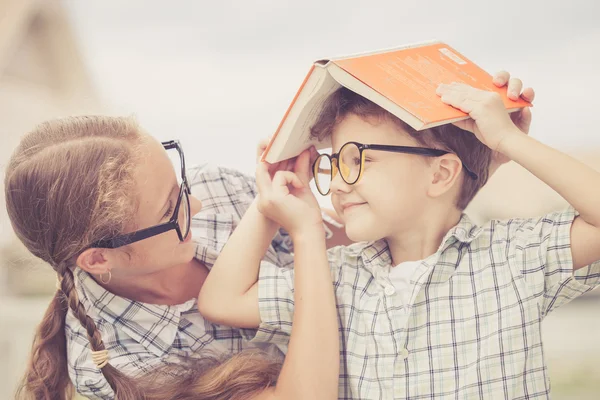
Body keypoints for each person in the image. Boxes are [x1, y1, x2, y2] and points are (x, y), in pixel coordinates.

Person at [198, 71, 600, 399]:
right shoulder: (334, 278)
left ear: (440, 174)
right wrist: (269, 198)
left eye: (360, 160)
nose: (337, 183)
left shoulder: (513, 256)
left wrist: (510, 141)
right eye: (335, 164)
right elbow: (222, 301)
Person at [5, 117, 339, 400]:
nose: (195, 205)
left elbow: (357, 249)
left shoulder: (214, 187)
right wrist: (305, 233)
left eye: (181, 185)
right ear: (97, 260)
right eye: (170, 209)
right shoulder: (117, 366)